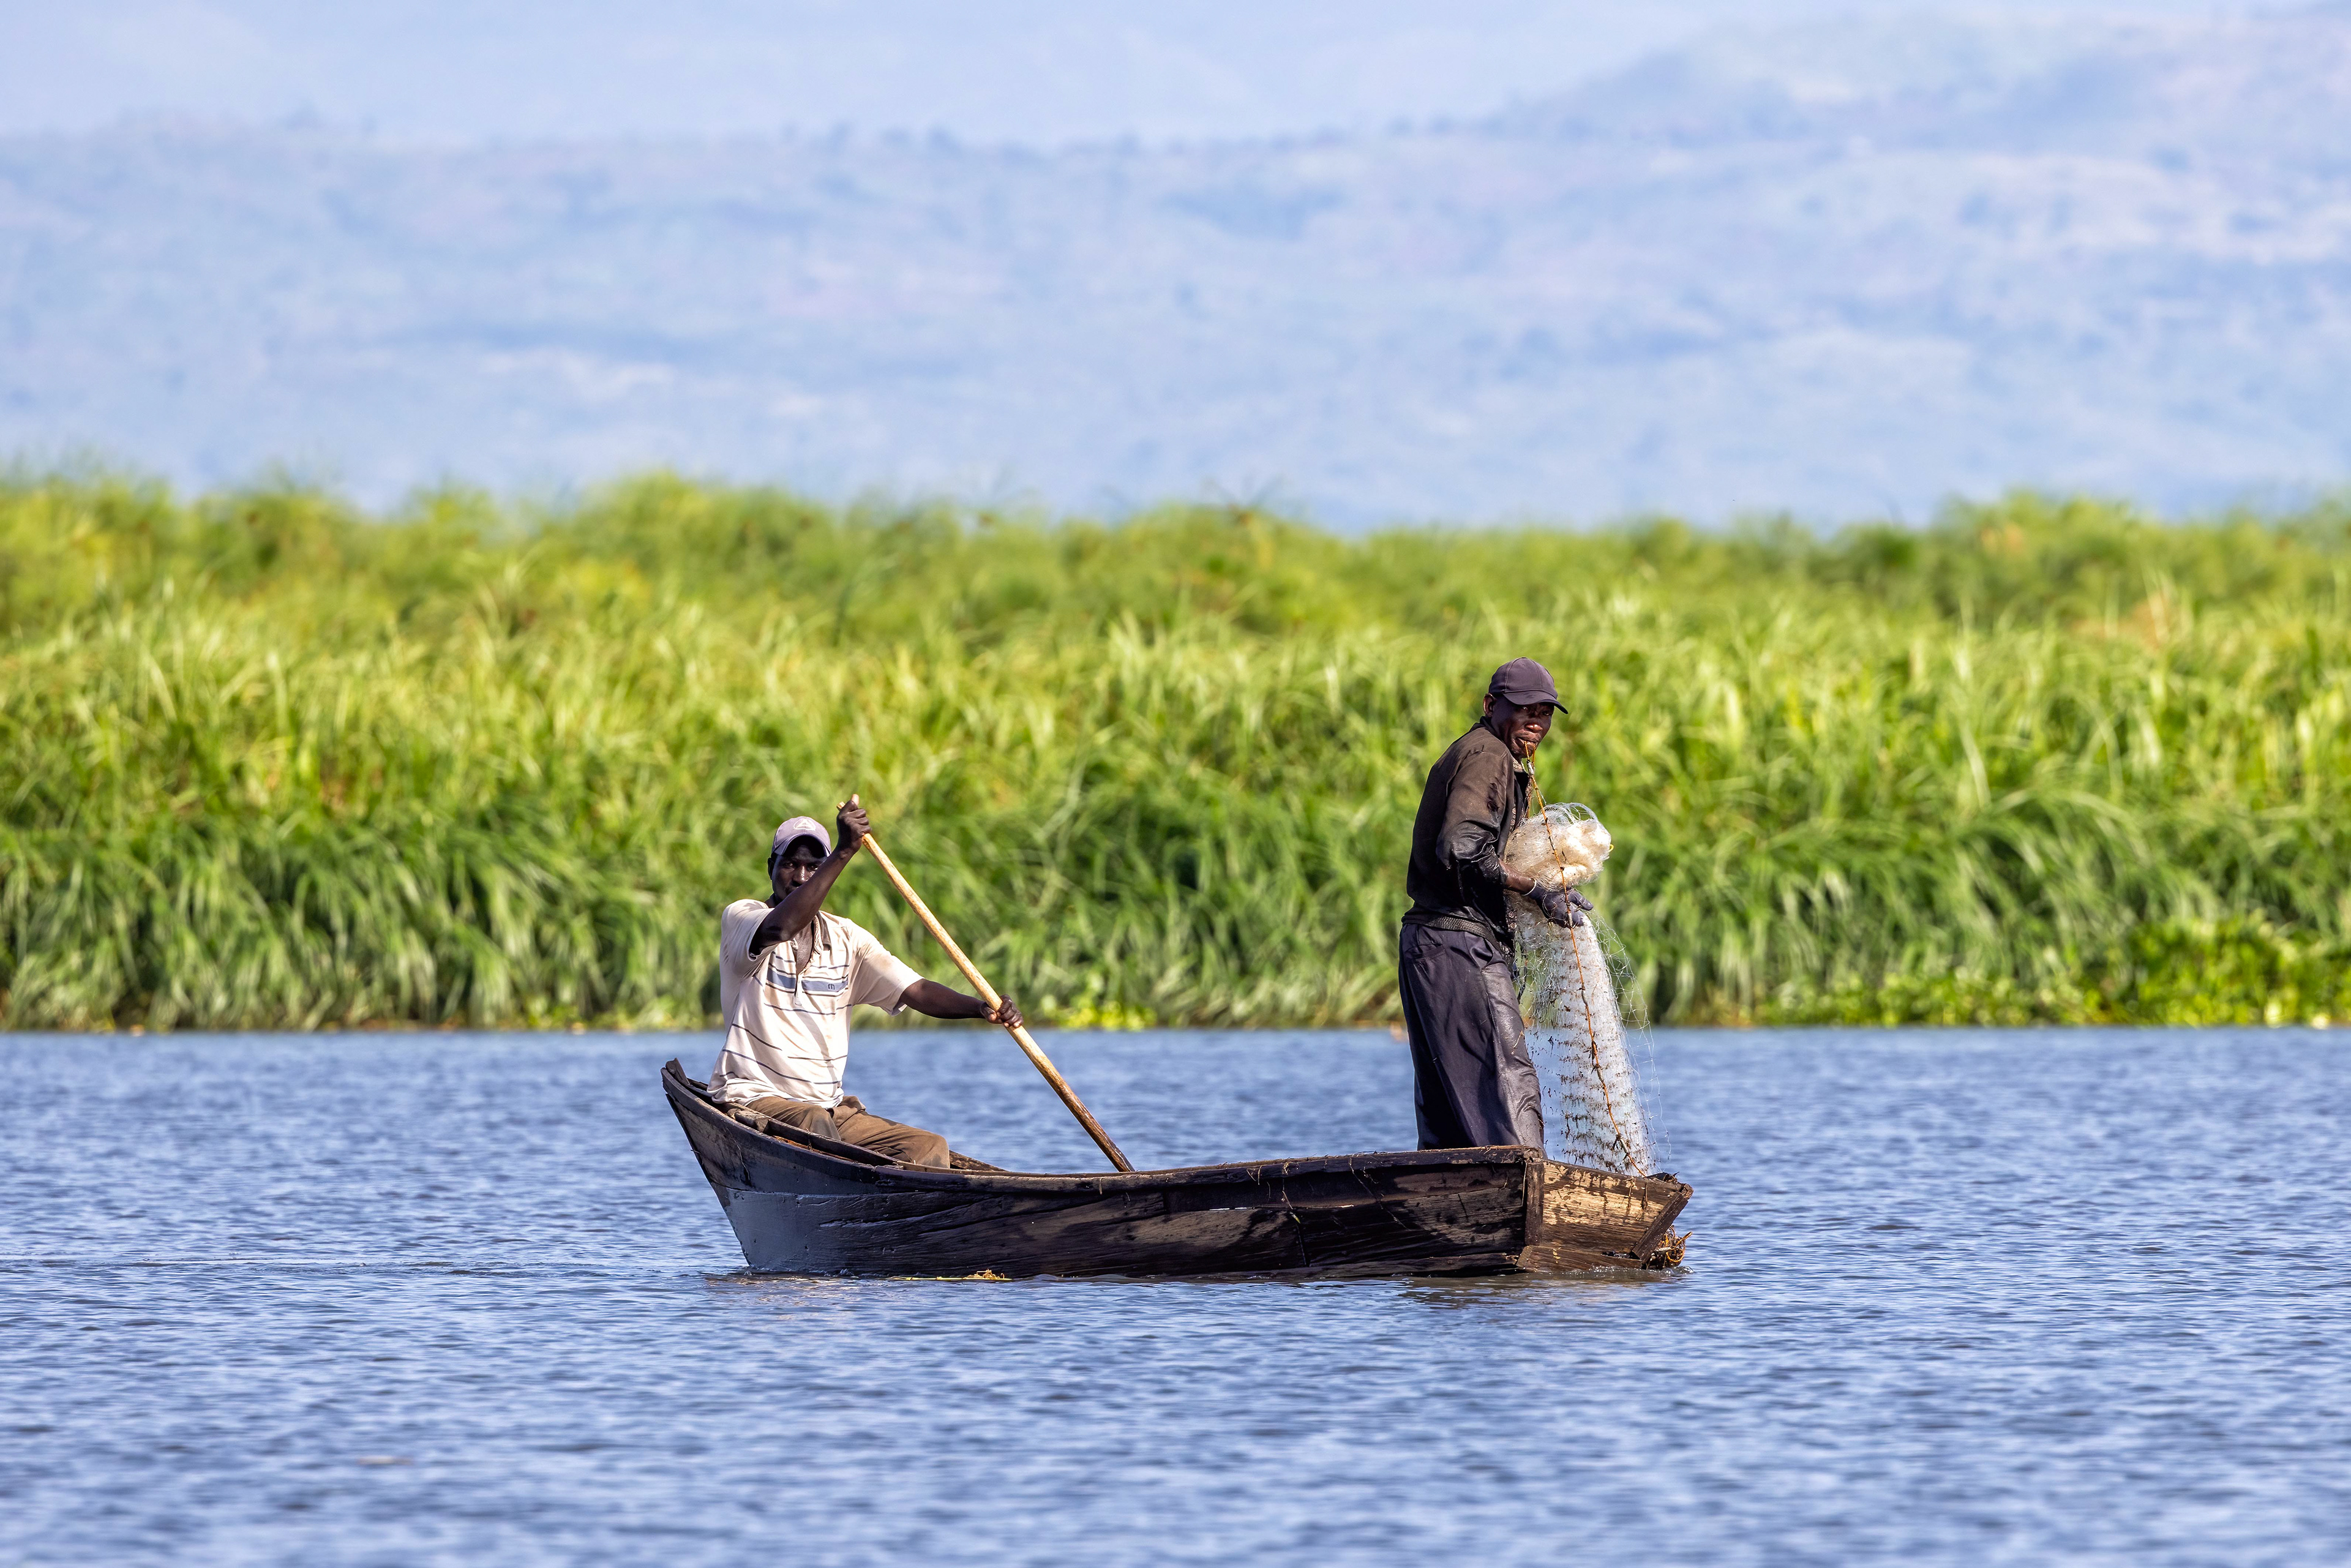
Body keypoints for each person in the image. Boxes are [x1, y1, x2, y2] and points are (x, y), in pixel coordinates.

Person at [707, 798, 1023, 1168]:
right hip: (754, 1097)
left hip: (827, 1107)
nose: (801, 877)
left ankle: (911, 1222)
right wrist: (843, 852)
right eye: (790, 864)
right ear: (770, 868)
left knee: (927, 1148)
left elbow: (916, 990)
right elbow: (782, 927)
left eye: (814, 866)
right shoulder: (744, 918)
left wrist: (982, 1007)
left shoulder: (847, 939)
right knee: (814, 1125)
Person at [1397, 656, 1589, 1151]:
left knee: (1450, 1108)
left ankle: (1453, 1212)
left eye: (1546, 713)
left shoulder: (1487, 753)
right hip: (1456, 945)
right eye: (1525, 709)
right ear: (1491, 705)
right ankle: (1530, 1193)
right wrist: (1536, 891)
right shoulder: (1489, 756)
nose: (1537, 722)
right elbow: (1462, 848)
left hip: (1432, 946)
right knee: (1506, 1082)